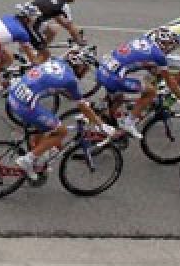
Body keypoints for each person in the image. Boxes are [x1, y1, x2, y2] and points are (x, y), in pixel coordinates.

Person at [9, 46, 113, 180]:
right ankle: (27, 161)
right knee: (62, 131)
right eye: (86, 68)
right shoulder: (71, 80)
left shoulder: (56, 61)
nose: (86, 72)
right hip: (26, 105)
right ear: (80, 66)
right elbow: (81, 105)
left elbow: (62, 90)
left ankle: (35, 157)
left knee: (42, 126)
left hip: (14, 96)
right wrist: (101, 125)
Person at [96, 28, 180, 138]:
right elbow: (170, 81)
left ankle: (103, 124)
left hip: (102, 69)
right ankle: (128, 123)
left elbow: (139, 61)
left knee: (118, 99)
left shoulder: (143, 40)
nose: (168, 48)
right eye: (167, 44)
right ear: (160, 43)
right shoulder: (159, 55)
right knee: (151, 92)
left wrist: (154, 71)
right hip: (112, 77)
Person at [22, 0, 86, 60]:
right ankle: (38, 57)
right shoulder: (63, 6)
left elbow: (60, 20)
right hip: (30, 25)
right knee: (46, 55)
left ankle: (35, 49)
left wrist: (76, 36)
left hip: (25, 18)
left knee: (52, 30)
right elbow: (70, 27)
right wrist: (79, 41)